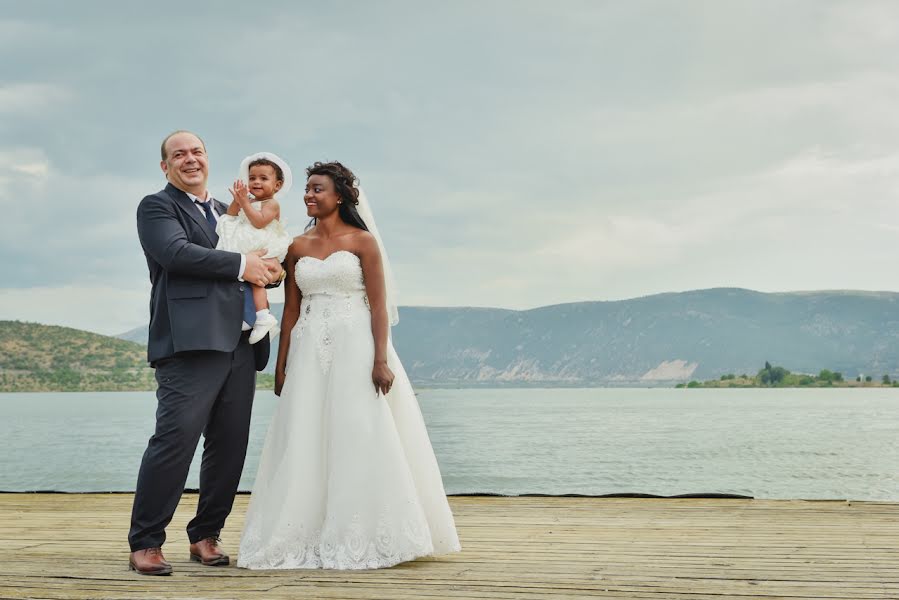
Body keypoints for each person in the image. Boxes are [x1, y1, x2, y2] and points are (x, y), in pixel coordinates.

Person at [237, 161, 461, 570]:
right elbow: (290, 310)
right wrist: (281, 363)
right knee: (306, 433)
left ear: (339, 195)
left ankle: (363, 531)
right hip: (308, 347)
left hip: (356, 344)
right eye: (306, 188)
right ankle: (303, 530)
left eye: (317, 188)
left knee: (357, 427)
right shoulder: (297, 246)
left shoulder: (363, 242)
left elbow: (378, 306)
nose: (309, 195)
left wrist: (380, 359)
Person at [129, 131, 284, 576]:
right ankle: (146, 542)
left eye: (196, 151)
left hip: (241, 342)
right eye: (178, 154)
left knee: (230, 445)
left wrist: (270, 270)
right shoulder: (157, 207)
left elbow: (261, 259)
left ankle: (205, 535)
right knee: (174, 442)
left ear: (208, 160)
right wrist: (242, 264)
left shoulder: (227, 212)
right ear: (165, 167)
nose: (189, 159)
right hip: (190, 344)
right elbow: (175, 254)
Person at [216, 152, 293, 344]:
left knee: (257, 281)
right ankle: (251, 315)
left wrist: (245, 203)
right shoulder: (249, 201)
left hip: (263, 245)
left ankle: (262, 315)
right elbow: (231, 216)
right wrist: (238, 199)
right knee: (243, 276)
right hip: (247, 243)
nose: (256, 182)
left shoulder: (272, 204)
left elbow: (258, 222)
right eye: (252, 178)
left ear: (277, 185)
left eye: (263, 178)